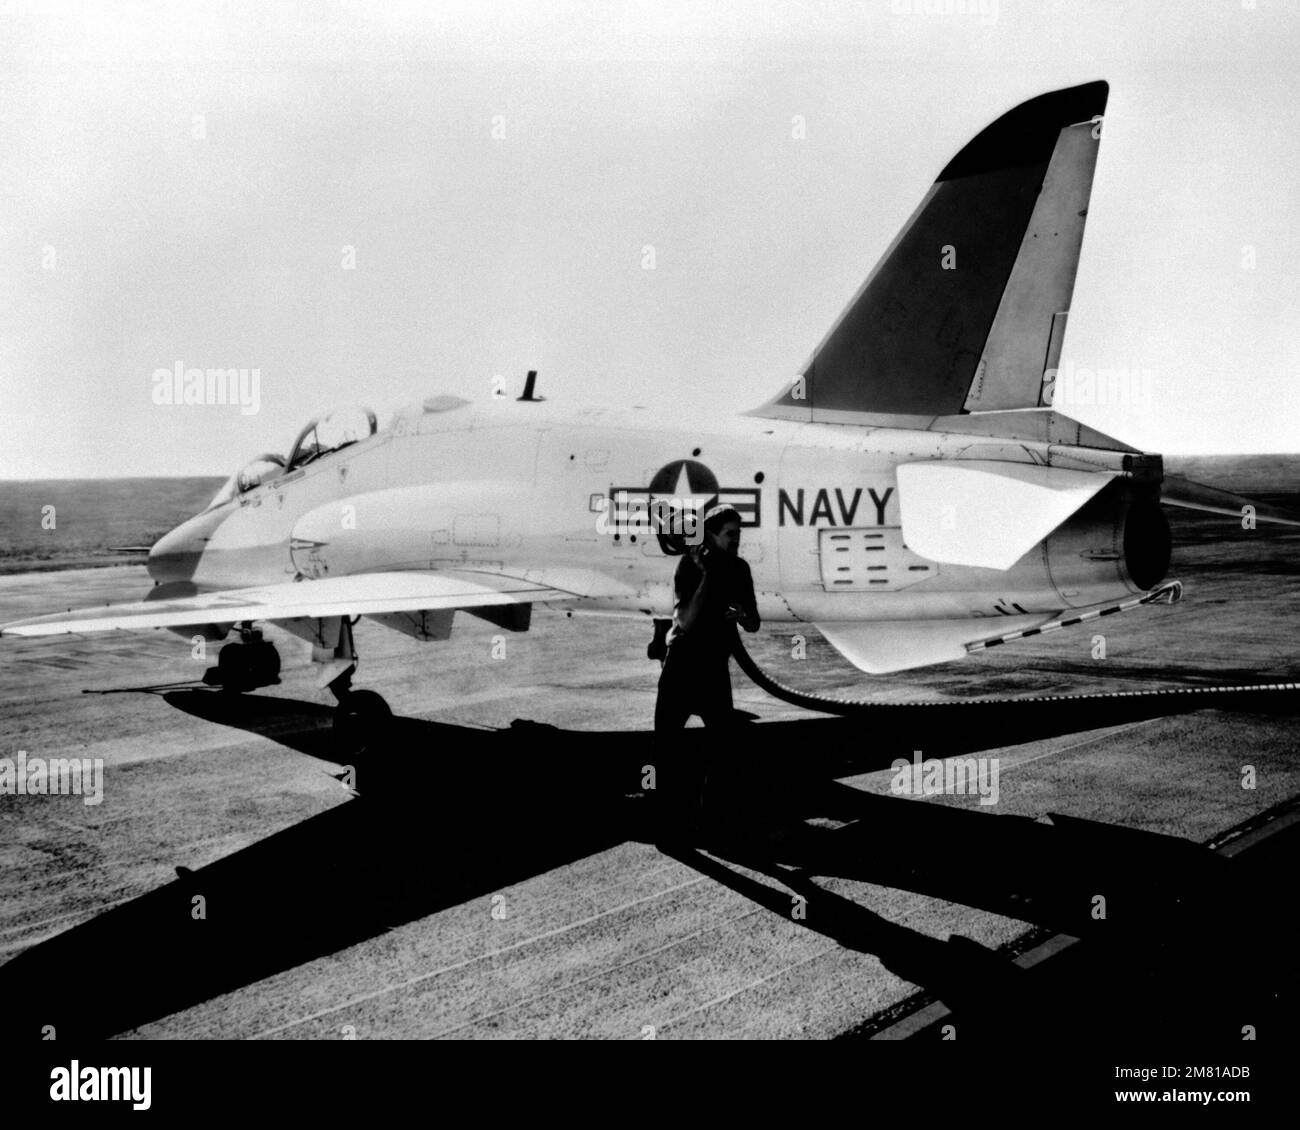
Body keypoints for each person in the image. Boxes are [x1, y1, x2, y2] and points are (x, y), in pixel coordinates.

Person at [652, 506, 760, 832]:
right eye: (730, 534)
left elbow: (754, 623)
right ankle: (666, 822)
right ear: (711, 535)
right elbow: (684, 620)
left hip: (714, 669)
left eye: (739, 534)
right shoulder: (688, 565)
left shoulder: (740, 569)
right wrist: (708, 577)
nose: (736, 541)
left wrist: (741, 613)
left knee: (724, 752)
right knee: (666, 749)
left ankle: (712, 822)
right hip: (681, 668)